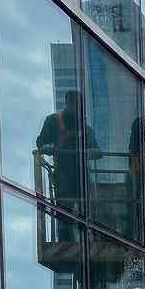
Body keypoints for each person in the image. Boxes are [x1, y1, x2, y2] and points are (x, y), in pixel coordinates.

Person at [36, 90, 102, 238]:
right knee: (65, 212)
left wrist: (91, 151)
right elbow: (41, 142)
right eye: (73, 103)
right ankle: (67, 233)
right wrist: (46, 148)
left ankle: (84, 232)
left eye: (78, 104)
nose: (76, 106)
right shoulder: (54, 121)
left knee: (85, 213)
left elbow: (98, 151)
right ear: (67, 103)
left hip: (81, 175)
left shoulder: (85, 128)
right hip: (64, 173)